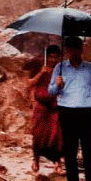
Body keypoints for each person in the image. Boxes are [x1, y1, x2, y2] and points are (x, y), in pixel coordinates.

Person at [48, 36, 91, 181]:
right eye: (70, 50)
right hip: (67, 112)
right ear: (66, 51)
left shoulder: (90, 68)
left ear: (81, 50)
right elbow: (51, 92)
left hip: (87, 112)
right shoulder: (59, 68)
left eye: (76, 49)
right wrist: (57, 85)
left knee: (89, 151)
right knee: (70, 151)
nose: (73, 53)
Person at [27, 45, 63, 174]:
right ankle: (36, 160)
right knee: (37, 134)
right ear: (46, 56)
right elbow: (29, 83)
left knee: (57, 136)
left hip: (55, 106)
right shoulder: (38, 67)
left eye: (56, 57)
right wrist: (41, 73)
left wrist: (61, 83)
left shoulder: (62, 70)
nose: (53, 60)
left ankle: (57, 163)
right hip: (41, 106)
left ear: (59, 57)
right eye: (51, 57)